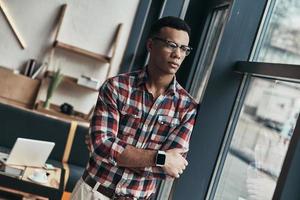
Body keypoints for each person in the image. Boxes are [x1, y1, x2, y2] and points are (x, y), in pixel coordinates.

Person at [71, 16, 198, 200]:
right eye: (171, 45)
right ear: (150, 45)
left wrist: (118, 152)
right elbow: (101, 146)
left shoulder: (187, 107)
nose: (178, 54)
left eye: (184, 49)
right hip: (93, 193)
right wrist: (160, 158)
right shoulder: (116, 87)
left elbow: (171, 170)